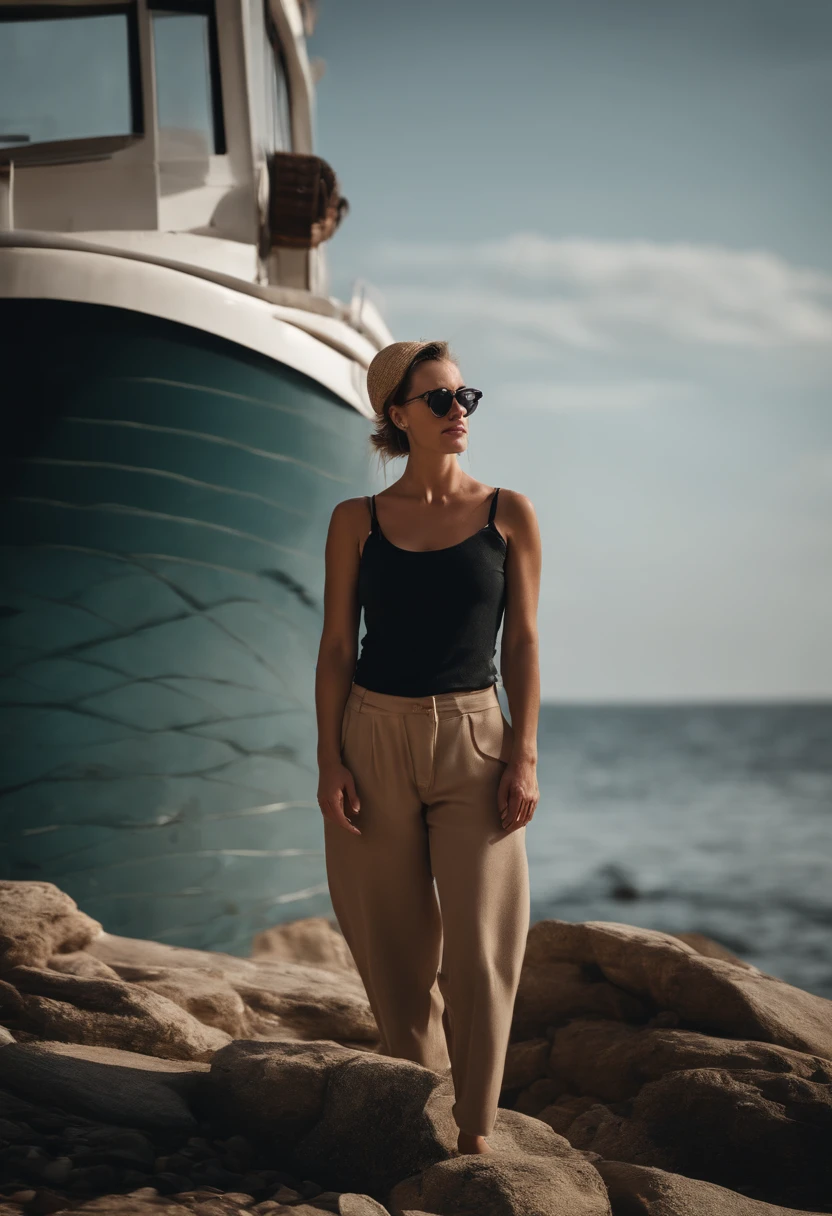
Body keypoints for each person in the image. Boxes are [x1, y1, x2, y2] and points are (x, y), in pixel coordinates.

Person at [315, 339, 541, 1156]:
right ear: (396, 415)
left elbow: (522, 645)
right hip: (371, 737)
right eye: (439, 400)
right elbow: (338, 646)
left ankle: (476, 1132)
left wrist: (524, 755)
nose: (458, 414)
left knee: (482, 950)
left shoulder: (506, 513)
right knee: (394, 950)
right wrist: (328, 760)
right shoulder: (356, 521)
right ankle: (418, 1110)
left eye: (465, 397)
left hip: (475, 741)